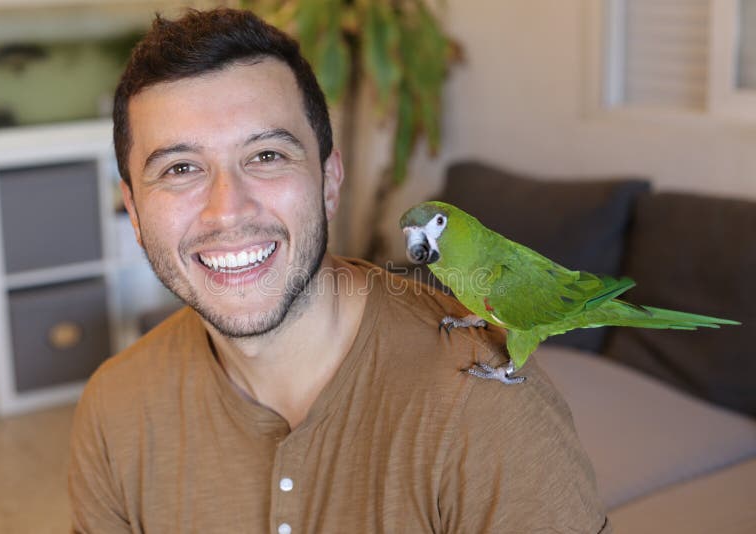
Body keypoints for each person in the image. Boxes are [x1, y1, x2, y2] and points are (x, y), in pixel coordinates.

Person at [68, 8, 610, 533]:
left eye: (266, 156)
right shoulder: (115, 407)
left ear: (329, 182)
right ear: (135, 213)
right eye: (181, 168)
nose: (227, 209)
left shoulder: (485, 408)